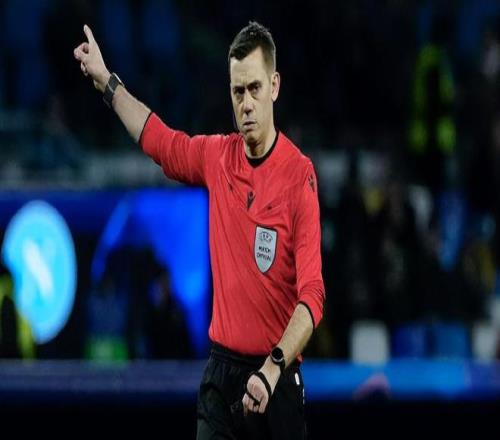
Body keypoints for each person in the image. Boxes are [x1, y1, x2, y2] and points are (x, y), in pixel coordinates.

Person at [74, 21, 325, 439]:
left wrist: (272, 368)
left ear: (275, 86)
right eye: (238, 91)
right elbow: (160, 141)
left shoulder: (299, 176)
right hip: (221, 379)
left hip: (275, 379)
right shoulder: (218, 158)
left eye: (255, 89)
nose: (246, 104)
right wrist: (106, 81)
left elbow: (313, 296)